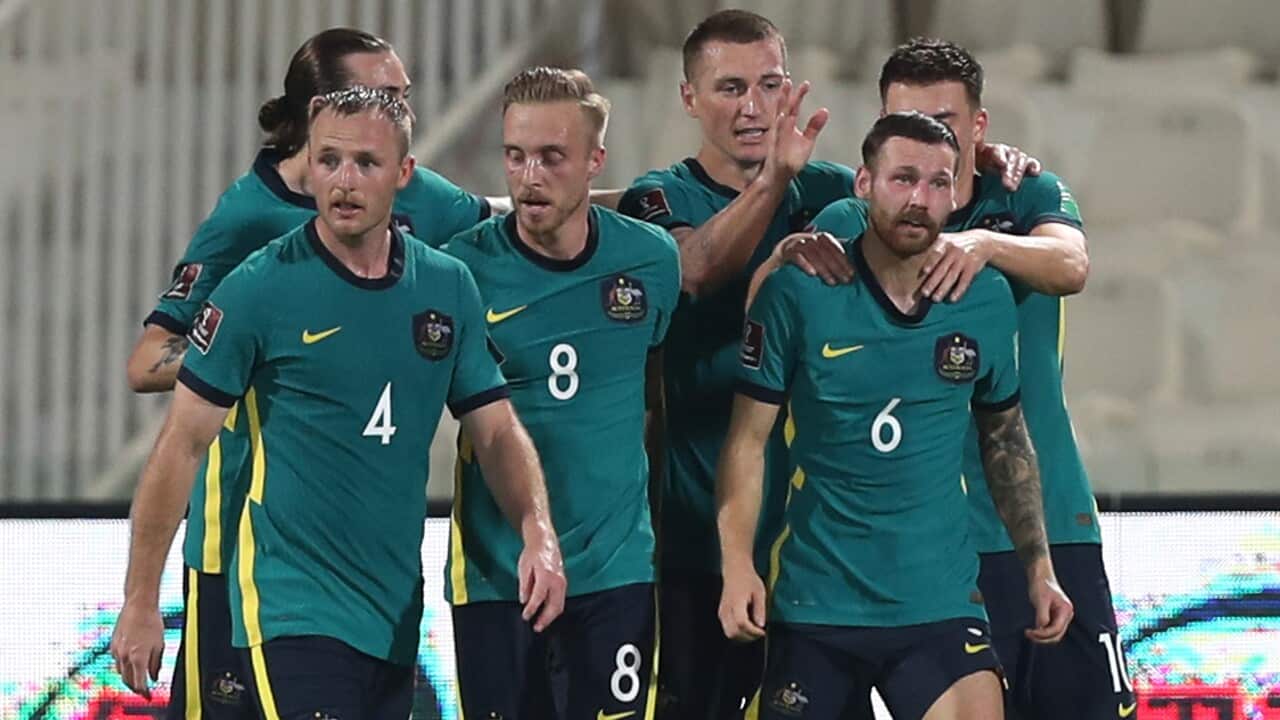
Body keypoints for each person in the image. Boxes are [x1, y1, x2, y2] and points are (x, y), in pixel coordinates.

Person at [616, 11, 1037, 717]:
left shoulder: (835, 190)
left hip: (817, 554)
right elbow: (693, 271)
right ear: (689, 97)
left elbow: (920, 200)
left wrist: (980, 156)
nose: (753, 107)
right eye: (729, 87)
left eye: (769, 84)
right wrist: (776, 187)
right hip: (700, 534)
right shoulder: (659, 196)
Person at [110, 87, 567, 719]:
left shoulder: (446, 286)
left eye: (365, 163)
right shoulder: (260, 287)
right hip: (290, 607)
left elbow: (494, 431)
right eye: (328, 160)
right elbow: (181, 445)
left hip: (393, 615)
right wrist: (140, 600)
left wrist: (537, 531)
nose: (343, 182)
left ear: (404, 174)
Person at [779, 38, 1133, 720]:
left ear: (978, 127)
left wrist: (984, 243)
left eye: (943, 121)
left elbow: (1071, 266)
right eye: (905, 121)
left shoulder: (1024, 195)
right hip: (926, 549)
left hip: (1046, 518)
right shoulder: (851, 215)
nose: (925, 135)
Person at [718, 111, 1073, 720]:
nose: (919, 199)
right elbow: (746, 442)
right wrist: (736, 565)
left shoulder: (984, 299)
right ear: (864, 184)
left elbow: (1005, 438)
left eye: (938, 183)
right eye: (903, 178)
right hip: (817, 601)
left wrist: (1040, 569)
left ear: (955, 195)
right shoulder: (800, 292)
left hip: (937, 602)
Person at [442, 65, 681, 720]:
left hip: (615, 572)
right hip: (497, 575)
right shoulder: (460, 271)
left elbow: (652, 386)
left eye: (552, 157)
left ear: (594, 161)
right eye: (515, 156)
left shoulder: (650, 261)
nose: (529, 176)